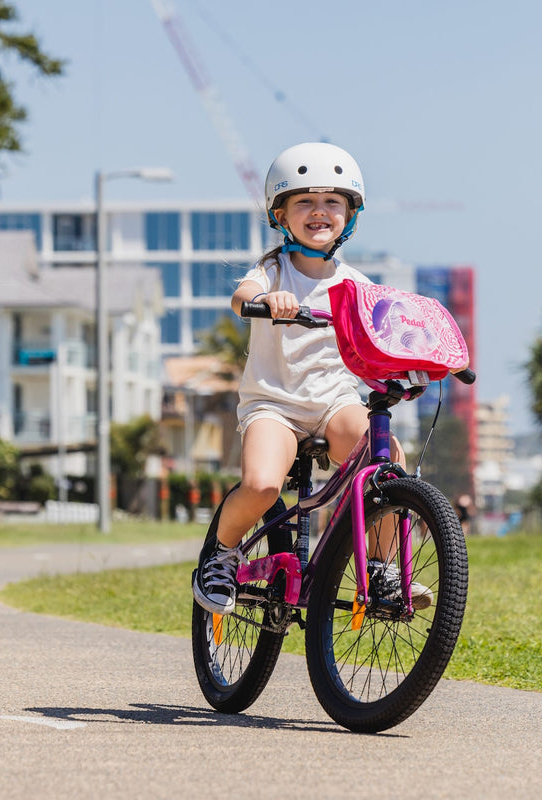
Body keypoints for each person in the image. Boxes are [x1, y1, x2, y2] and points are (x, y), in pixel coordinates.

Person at [193, 142, 431, 615]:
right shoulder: (273, 270)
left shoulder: (357, 284)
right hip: (274, 404)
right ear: (280, 214)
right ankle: (219, 556)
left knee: (386, 462)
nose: (319, 212)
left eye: (332, 202)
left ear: (350, 215)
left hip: (332, 402)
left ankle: (381, 570)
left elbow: (385, 333)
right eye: (304, 201)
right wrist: (269, 300)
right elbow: (243, 298)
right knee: (262, 486)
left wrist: (413, 358)